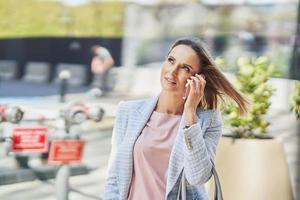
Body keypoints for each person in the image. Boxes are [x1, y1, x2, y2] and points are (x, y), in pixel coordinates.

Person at [103, 37, 249, 200]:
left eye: (185, 68)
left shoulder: (208, 120)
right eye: (171, 60)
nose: (172, 72)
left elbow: (198, 177)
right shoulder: (128, 111)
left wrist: (190, 115)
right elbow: (114, 177)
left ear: (198, 79)